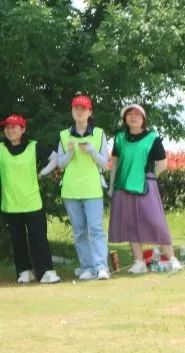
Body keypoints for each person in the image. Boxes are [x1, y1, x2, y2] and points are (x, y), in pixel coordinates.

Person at [109, 104, 180, 273]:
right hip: (123, 186)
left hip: (146, 186)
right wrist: (112, 185)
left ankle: (172, 258)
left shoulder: (152, 138)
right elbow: (115, 163)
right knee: (130, 224)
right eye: (129, 114)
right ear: (125, 119)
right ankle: (139, 261)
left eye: (137, 114)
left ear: (143, 119)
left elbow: (162, 164)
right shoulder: (120, 138)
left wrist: (149, 177)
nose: (133, 117)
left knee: (156, 222)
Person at [56, 95, 111, 281]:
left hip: (92, 188)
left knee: (95, 230)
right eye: (76, 109)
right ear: (72, 111)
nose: (79, 112)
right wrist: (70, 152)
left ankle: (101, 267)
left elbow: (105, 164)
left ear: (90, 112)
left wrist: (92, 151)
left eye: (83, 109)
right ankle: (87, 267)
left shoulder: (99, 133)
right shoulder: (64, 135)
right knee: (79, 232)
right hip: (71, 190)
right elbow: (61, 165)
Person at [1, 114, 60, 284]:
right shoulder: (1, 149)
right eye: (7, 127)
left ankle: (46, 271)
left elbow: (55, 158)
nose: (10, 130)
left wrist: (42, 173)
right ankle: (24, 271)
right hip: (10, 203)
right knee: (17, 240)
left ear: (23, 129)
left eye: (14, 127)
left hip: (32, 202)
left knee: (38, 238)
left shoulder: (34, 146)